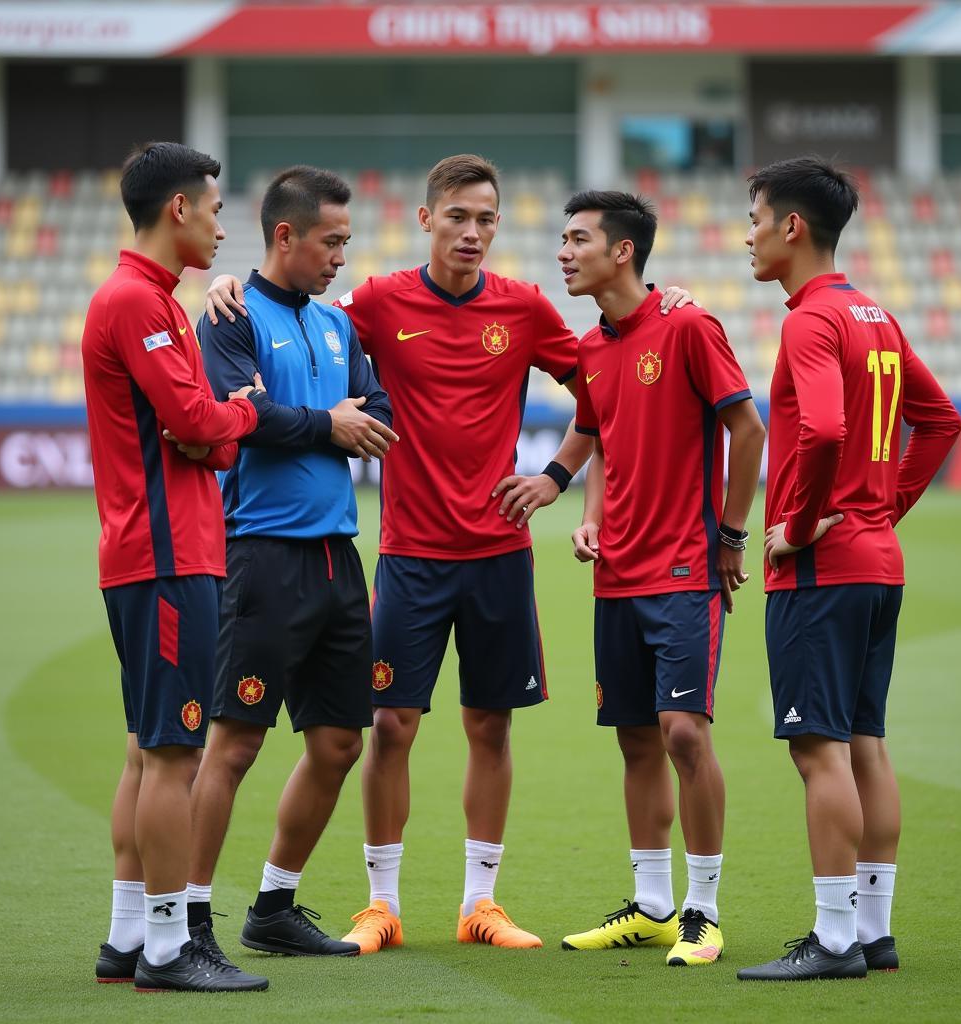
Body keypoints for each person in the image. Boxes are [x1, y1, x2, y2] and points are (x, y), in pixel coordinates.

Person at [205, 154, 694, 952]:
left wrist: (554, 477)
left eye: (487, 219)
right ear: (426, 219)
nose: (473, 232)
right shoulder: (375, 303)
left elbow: (603, 388)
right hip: (409, 555)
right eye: (459, 216)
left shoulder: (527, 309)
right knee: (390, 725)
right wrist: (227, 285)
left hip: (499, 553)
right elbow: (289, 302)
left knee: (489, 728)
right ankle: (382, 902)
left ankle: (480, 904)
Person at [736, 157, 961, 982]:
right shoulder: (877, 313)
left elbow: (825, 429)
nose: (747, 234)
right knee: (866, 740)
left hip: (822, 571)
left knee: (817, 751)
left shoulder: (809, 322)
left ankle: (833, 941)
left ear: (792, 227)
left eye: (755, 218)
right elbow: (939, 422)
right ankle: (875, 931)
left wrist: (796, 526)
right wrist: (881, 512)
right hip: (877, 561)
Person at [188, 166, 396, 964]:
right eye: (331, 240)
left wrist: (328, 421)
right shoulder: (232, 314)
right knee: (235, 744)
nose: (342, 255)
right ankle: (193, 919)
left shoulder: (339, 326)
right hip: (261, 556)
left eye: (346, 240)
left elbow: (372, 410)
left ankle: (274, 904)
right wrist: (325, 425)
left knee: (341, 740)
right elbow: (239, 417)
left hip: (337, 557)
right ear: (285, 235)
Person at [82, 141, 271, 993]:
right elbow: (195, 419)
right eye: (216, 208)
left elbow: (197, 437)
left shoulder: (149, 298)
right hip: (166, 556)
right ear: (178, 210)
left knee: (146, 748)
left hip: (154, 551)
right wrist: (243, 409)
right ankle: (168, 948)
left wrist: (209, 428)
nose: (223, 225)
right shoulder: (140, 303)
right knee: (171, 757)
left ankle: (128, 936)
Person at [564, 191, 765, 966]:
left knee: (684, 732)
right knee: (635, 739)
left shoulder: (688, 325)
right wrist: (592, 515)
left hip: (684, 569)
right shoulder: (591, 348)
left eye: (578, 239)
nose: (564, 251)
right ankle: (650, 905)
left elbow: (745, 428)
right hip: (616, 571)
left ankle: (702, 911)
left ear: (623, 251)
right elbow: (603, 445)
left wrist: (731, 533)